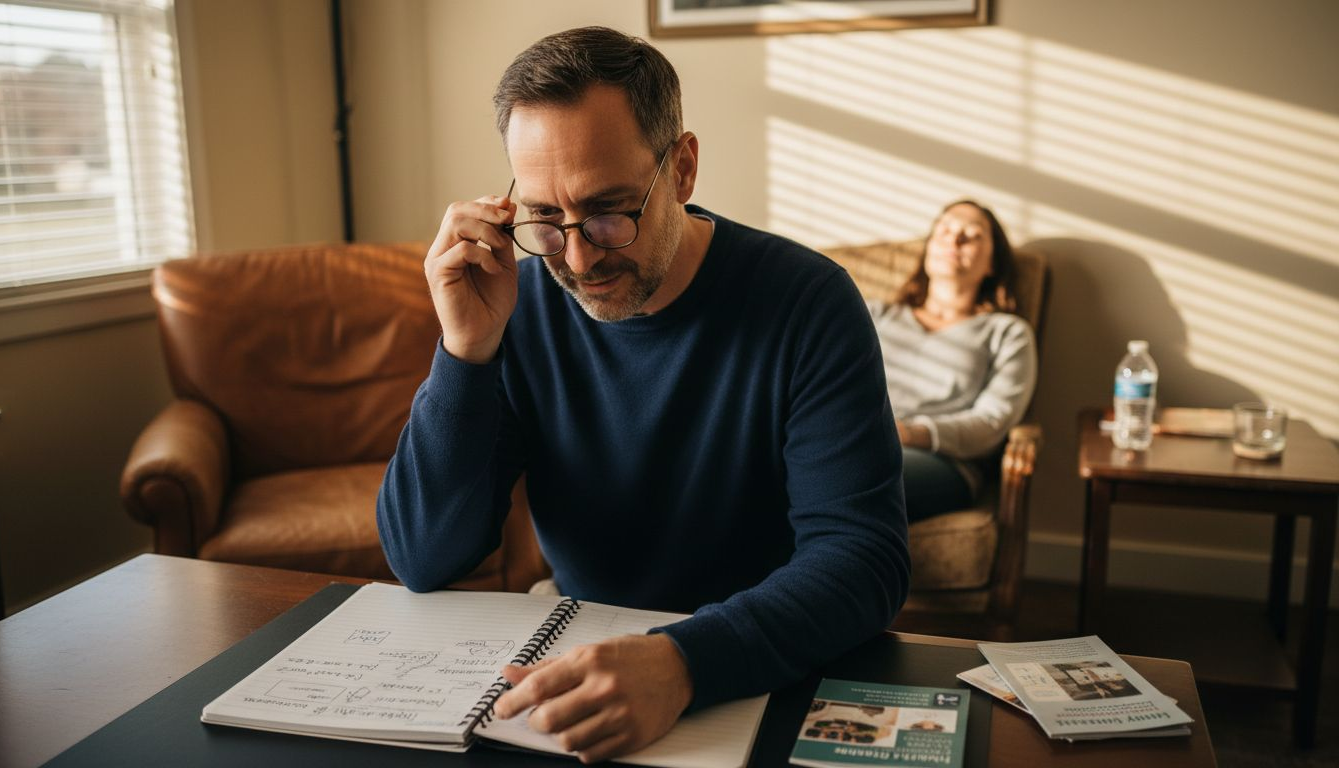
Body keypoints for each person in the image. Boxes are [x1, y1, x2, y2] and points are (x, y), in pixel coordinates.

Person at [376, 26, 910, 763]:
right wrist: (465, 353)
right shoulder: (514, 310)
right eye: (545, 218)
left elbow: (863, 557)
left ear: (682, 169)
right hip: (584, 667)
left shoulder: (807, 303)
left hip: (760, 671)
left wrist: (683, 661)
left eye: (608, 211)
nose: (578, 258)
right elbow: (421, 558)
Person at [866, 200, 1037, 523]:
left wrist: (910, 433)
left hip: (943, 462)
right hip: (856, 441)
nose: (954, 240)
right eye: (944, 230)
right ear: (928, 249)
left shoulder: (1007, 332)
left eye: (971, 235)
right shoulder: (873, 315)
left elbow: (992, 421)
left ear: (992, 264)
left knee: (858, 475)